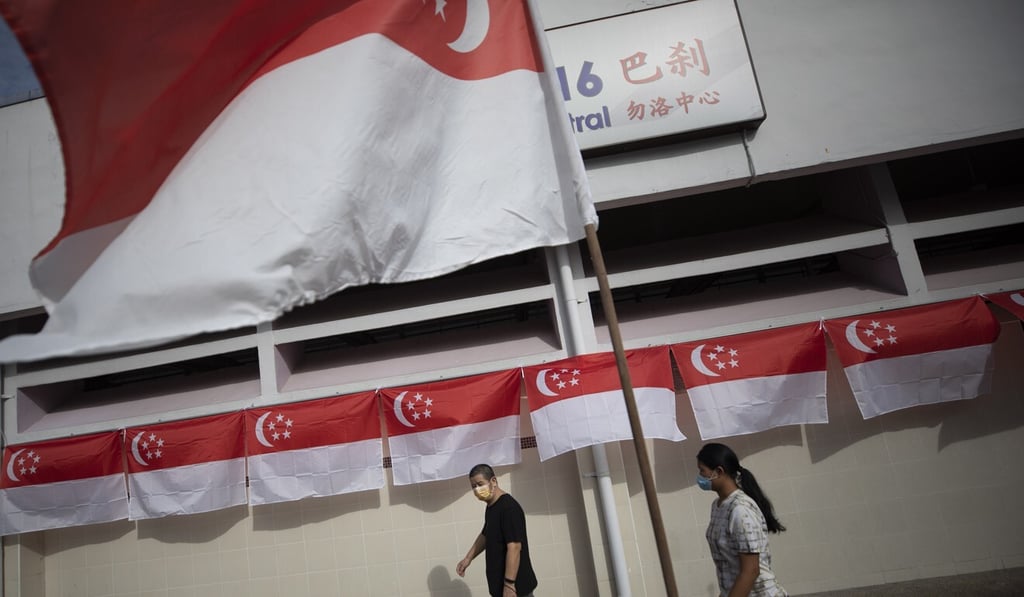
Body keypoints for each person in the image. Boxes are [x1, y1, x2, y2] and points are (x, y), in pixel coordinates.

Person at [697, 443, 788, 597]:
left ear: (718, 471)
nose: (700, 477)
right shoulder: (718, 506)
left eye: (702, 471)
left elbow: (751, 570)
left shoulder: (740, 510)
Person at [456, 464, 537, 597]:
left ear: (493, 481)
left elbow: (515, 547)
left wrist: (509, 584)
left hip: (516, 589)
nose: (477, 489)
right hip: (500, 588)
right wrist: (468, 558)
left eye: (480, 484)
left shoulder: (509, 508)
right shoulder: (491, 506)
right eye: (473, 487)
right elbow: (486, 534)